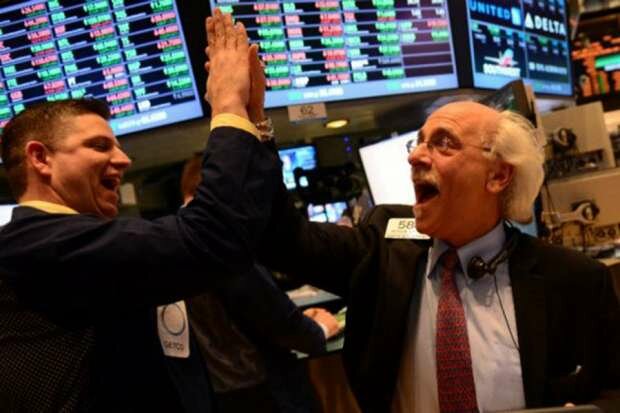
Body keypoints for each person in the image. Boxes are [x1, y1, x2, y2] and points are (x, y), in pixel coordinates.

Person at [207, 20, 620, 411]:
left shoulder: (576, 280)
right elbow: (281, 237)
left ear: (498, 175)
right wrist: (253, 120)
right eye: (418, 142)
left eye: (444, 143)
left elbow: (613, 390)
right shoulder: (382, 245)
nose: (416, 156)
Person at [0, 11, 283, 411]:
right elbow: (212, 239)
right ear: (40, 158)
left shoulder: (71, 237)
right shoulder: (36, 245)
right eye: (100, 146)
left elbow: (244, 234)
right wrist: (227, 105)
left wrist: (256, 122)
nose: (124, 159)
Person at [180, 153, 340, 413]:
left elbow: (237, 318)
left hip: (221, 393)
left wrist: (299, 317)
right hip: (267, 392)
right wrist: (319, 330)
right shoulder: (222, 237)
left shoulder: (175, 238)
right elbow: (276, 320)